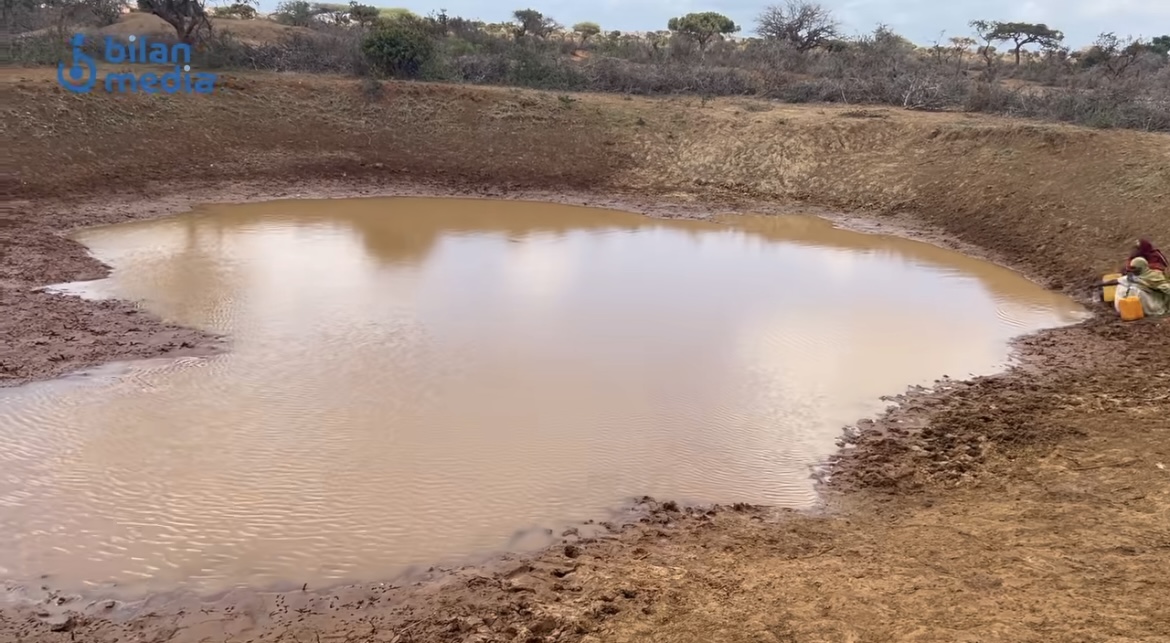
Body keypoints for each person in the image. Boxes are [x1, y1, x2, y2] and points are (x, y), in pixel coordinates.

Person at [1099, 256, 1170, 317]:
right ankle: (1123, 309)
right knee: (1121, 286)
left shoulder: (1155, 276)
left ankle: (1143, 311)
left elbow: (1167, 289)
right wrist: (1099, 284)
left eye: (1134, 268)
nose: (1132, 270)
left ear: (1142, 267)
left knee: (1135, 290)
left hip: (1154, 302)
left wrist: (1149, 286)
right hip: (1140, 301)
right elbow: (1117, 280)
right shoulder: (1135, 276)